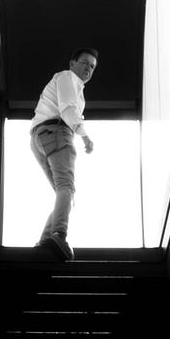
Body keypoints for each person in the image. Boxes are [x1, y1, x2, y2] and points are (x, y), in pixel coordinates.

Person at [29, 47, 98, 260]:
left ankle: (45, 241)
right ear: (72, 63)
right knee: (66, 187)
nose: (88, 68)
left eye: (92, 66)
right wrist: (85, 136)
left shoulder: (74, 86)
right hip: (56, 131)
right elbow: (67, 109)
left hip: (41, 137)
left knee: (65, 193)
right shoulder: (68, 77)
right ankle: (59, 235)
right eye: (84, 63)